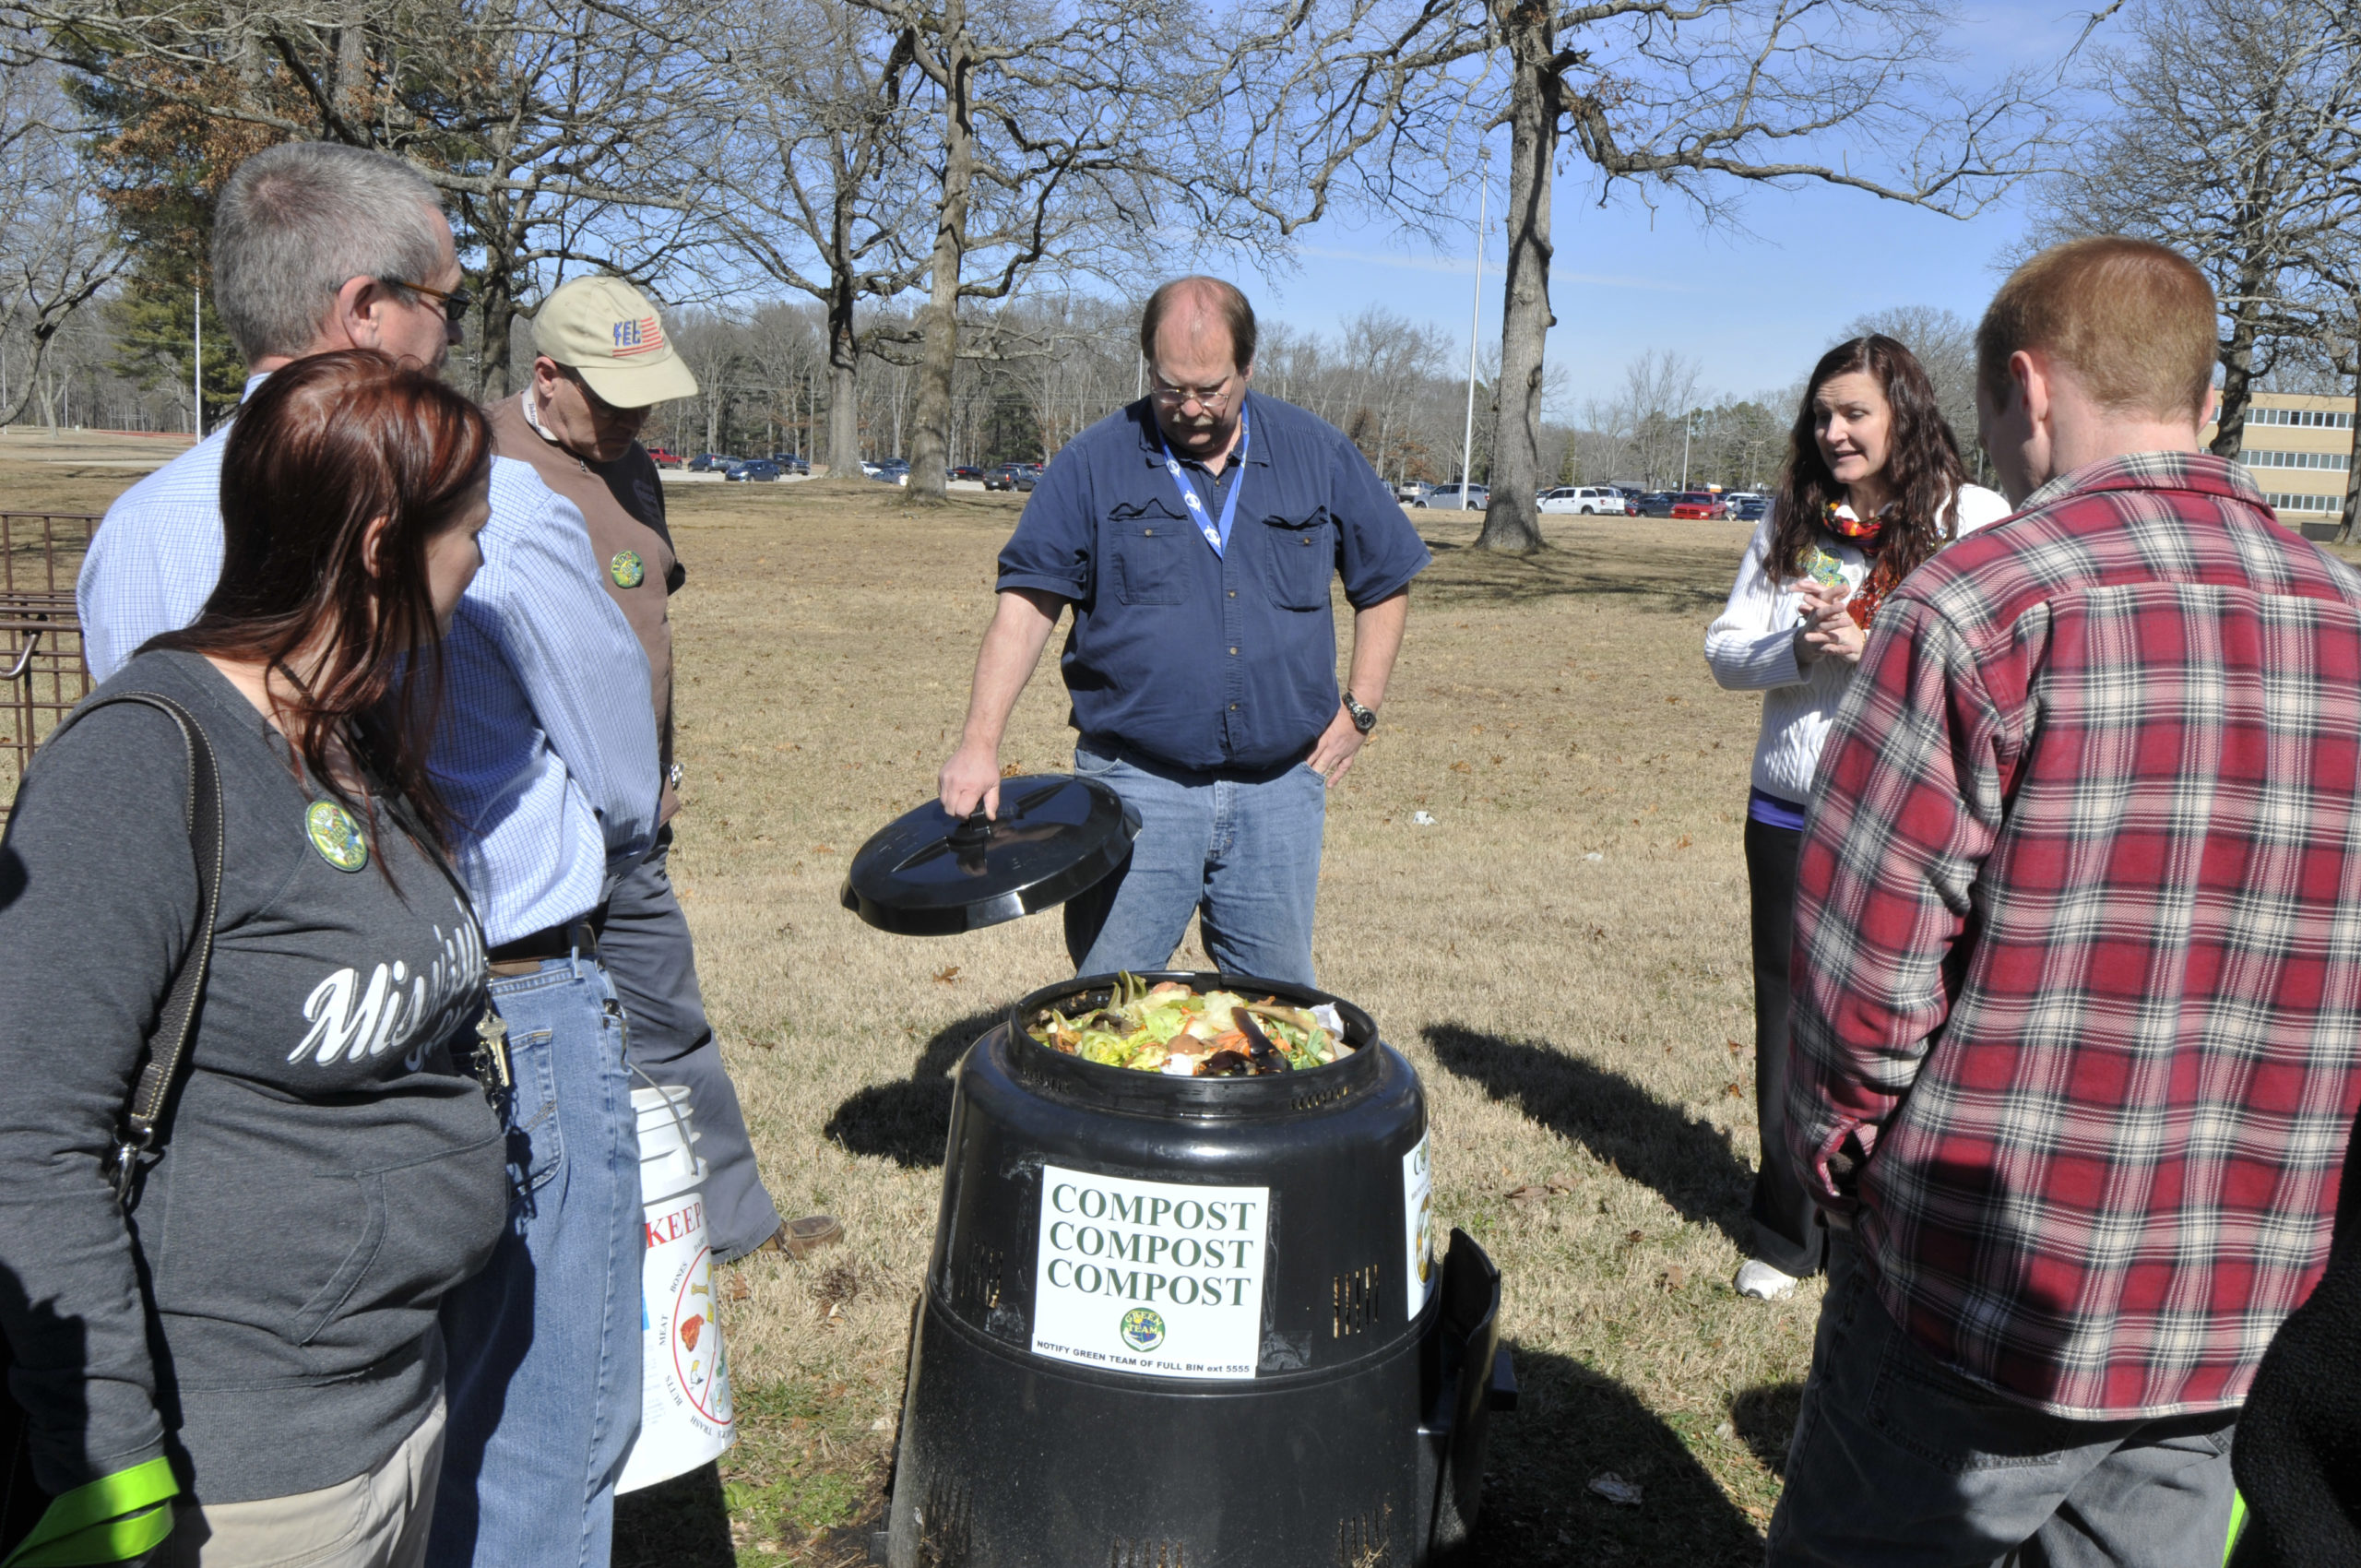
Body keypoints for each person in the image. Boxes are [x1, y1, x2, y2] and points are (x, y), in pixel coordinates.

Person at [70, 143, 661, 1568]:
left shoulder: (136, 532)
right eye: (444, 302)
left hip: (240, 1070)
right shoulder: (498, 505)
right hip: (509, 1007)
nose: (454, 335)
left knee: (349, 1441)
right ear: (362, 309)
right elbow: (620, 771)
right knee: (529, 1455)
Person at [1771, 235, 2361, 1566]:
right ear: (2205, 400)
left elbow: (1862, 970)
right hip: (2242, 1288)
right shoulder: (2345, 614)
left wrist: (1840, 1166)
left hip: (1978, 1283)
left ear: (2027, 392)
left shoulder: (1976, 607)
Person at [0, 351, 508, 1568]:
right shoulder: (139, 765)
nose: (481, 561)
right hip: (237, 1472)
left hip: (392, 1404)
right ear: (382, 547)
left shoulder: (343, 733)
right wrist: (109, 1458)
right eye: (471, 532)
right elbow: (29, 1133)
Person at [936, 277, 1429, 984]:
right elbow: (1025, 609)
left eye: (1211, 389)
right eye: (1171, 389)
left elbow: (1385, 579)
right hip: (1137, 786)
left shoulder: (1316, 453)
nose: (1191, 408)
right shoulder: (1092, 464)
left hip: (1278, 791)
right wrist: (979, 746)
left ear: (1248, 366)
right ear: (1148, 366)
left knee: (1277, 1006)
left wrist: (1362, 708)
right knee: (1111, 1000)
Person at [485, 273, 836, 1263]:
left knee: (668, 1022)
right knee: (526, 1038)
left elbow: (644, 627)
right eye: (613, 397)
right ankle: (548, 1250)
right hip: (517, 822)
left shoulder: (631, 464)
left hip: (631, 822)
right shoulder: (467, 461)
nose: (635, 418)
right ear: (546, 375)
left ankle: (730, 1226)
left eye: (647, 396)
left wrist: (660, 773)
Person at [1703, 336, 2009, 1303]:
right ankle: (1786, 1232)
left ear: (1903, 415)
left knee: (1917, 1014)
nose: (1832, 432)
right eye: (1821, 415)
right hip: (1789, 810)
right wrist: (1797, 648)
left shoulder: (1971, 519)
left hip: (1912, 813)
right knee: (1788, 1015)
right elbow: (1722, 650)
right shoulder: (1790, 518)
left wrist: (1874, 642)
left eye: (1854, 413)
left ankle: (1895, 1222)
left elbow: (1993, 656)